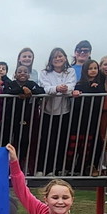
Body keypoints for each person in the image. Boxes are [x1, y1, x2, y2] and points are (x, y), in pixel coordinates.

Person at [36, 47, 78, 175]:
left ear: (65, 58)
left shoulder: (70, 71)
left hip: (64, 111)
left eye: (60, 56)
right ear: (51, 60)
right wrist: (57, 88)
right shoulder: (45, 72)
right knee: (47, 141)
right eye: (55, 57)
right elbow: (45, 87)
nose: (58, 59)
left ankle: (57, 169)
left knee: (61, 141)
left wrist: (66, 88)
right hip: (48, 111)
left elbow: (72, 85)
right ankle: (42, 169)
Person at [4, 65, 44, 167]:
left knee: (24, 141)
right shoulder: (10, 83)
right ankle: (5, 164)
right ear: (15, 74)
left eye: (25, 72)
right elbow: (7, 91)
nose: (22, 73)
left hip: (26, 117)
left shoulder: (31, 83)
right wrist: (22, 90)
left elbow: (41, 91)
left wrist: (29, 92)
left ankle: (20, 163)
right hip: (11, 117)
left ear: (29, 75)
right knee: (7, 140)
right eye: (20, 71)